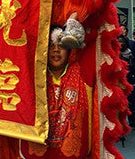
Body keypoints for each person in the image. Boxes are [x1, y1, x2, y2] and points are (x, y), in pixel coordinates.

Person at [20, 28, 93, 157]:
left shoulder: (82, 72)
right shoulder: (31, 75)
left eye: (62, 46)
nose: (56, 50)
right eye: (50, 46)